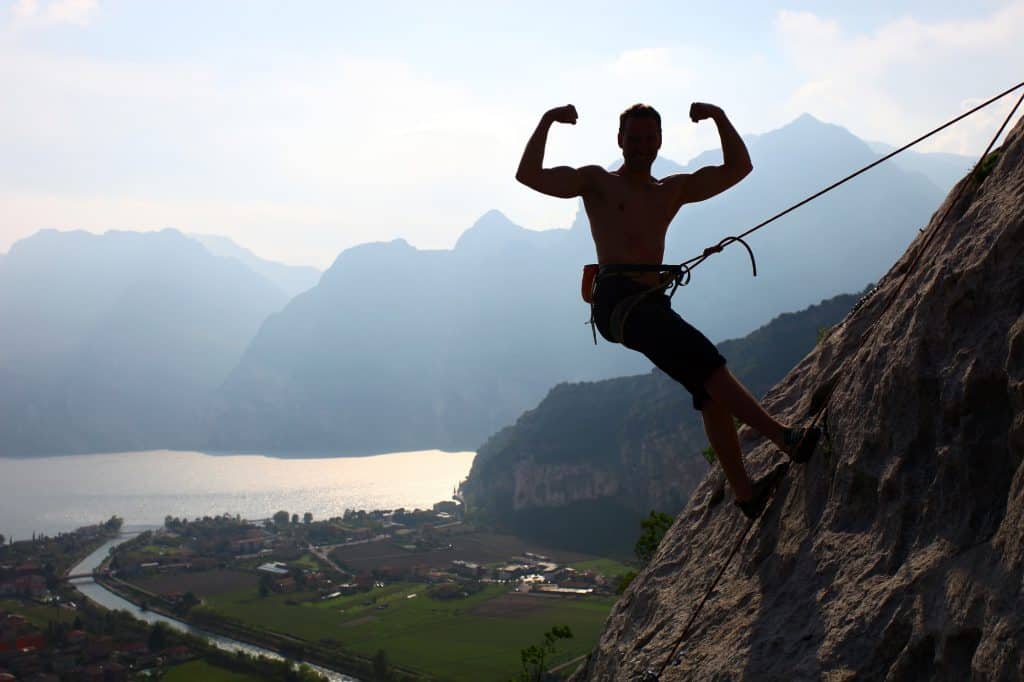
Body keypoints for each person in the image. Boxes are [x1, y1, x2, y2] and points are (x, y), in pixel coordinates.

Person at [515, 102, 819, 519]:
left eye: (649, 139)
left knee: (709, 393)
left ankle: (747, 496)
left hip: (649, 302)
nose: (641, 147)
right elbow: (529, 176)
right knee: (710, 365)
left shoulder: (670, 190)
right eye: (633, 138)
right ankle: (787, 439)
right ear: (619, 141)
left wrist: (718, 117)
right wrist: (547, 120)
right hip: (618, 301)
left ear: (659, 141)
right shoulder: (598, 182)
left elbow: (737, 168)